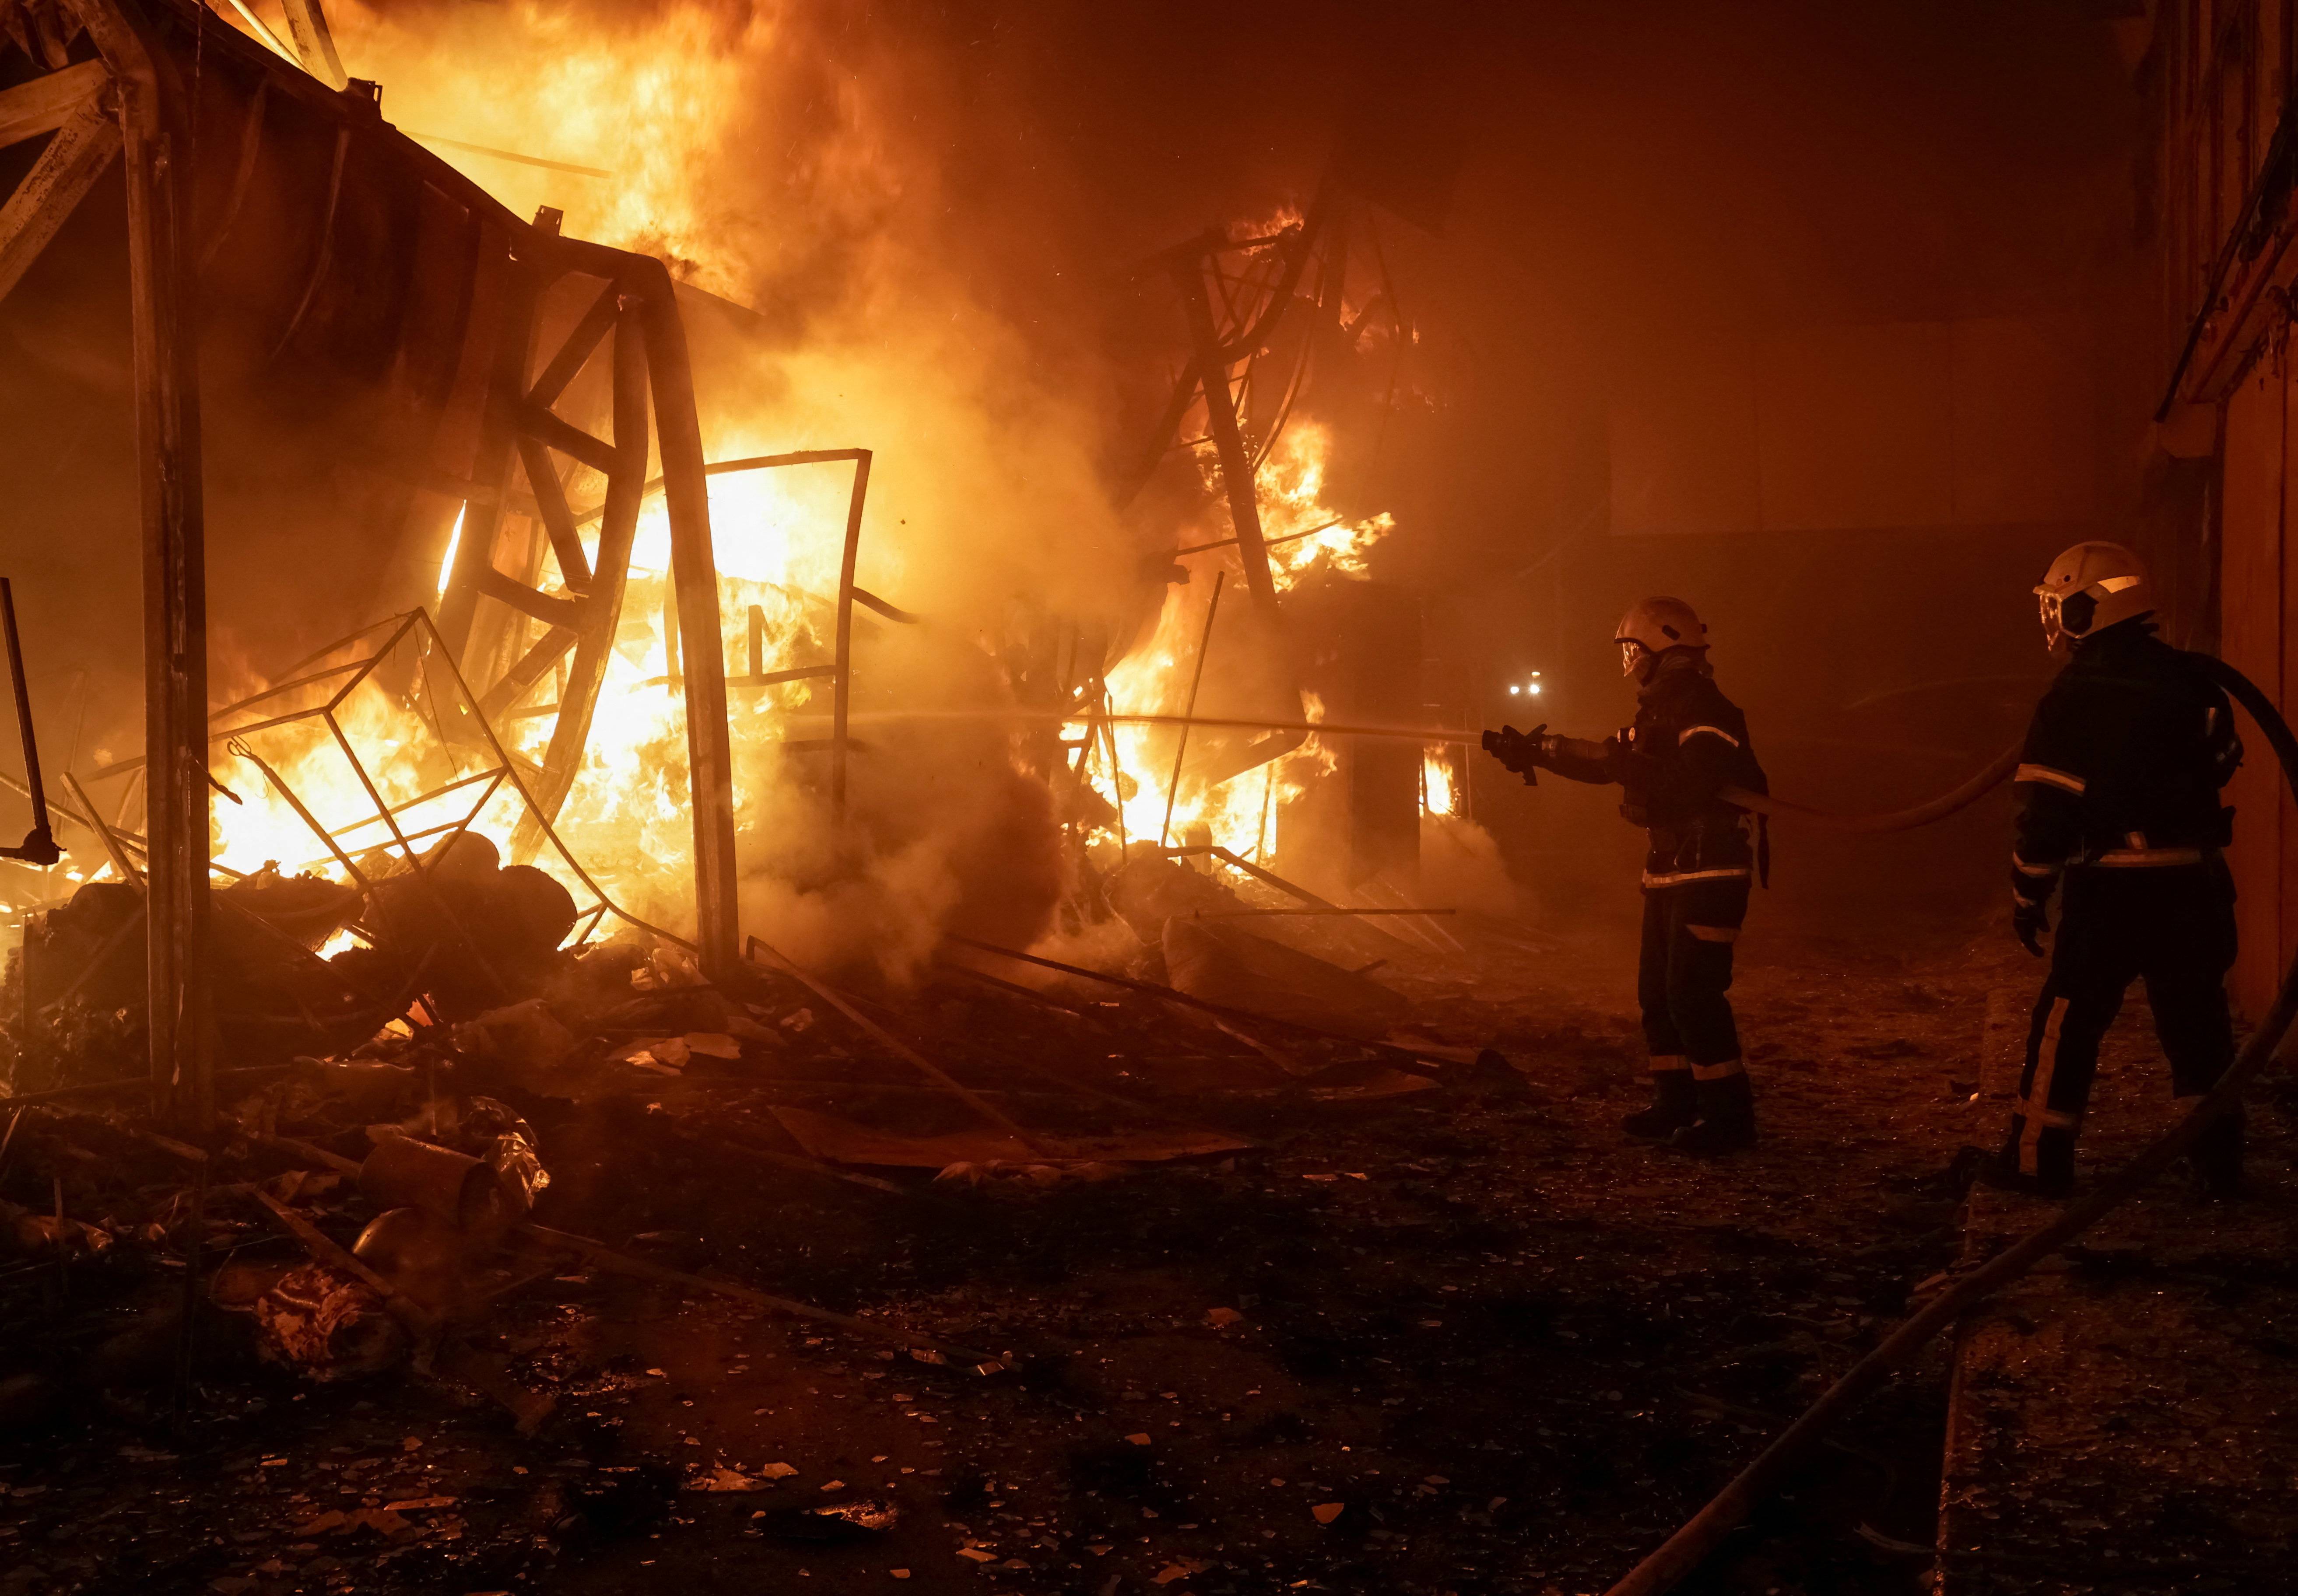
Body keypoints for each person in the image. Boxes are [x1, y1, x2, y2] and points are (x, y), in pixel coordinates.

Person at [1989, 541, 2245, 1198]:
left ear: (2086, 609)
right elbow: (2224, 759)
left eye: (2058, 606)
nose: (2052, 621)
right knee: (2197, 1026)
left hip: (2111, 891)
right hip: (2192, 885)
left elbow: (2045, 817)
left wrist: (2027, 893)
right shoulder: (2191, 681)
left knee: (2068, 1022)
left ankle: (2038, 1163)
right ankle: (2217, 1166)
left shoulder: (2071, 698)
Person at [1485, 598, 1768, 1153]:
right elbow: (1607, 762)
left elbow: (1694, 782)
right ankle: (1676, 1103)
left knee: (1692, 994)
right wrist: (1537, 753)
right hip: (1669, 868)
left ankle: (1729, 1121)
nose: (1629, 660)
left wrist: (1624, 763)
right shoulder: (1658, 710)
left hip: (1709, 867)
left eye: (1633, 648)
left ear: (1662, 646)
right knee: (1657, 994)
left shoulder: (1704, 708)